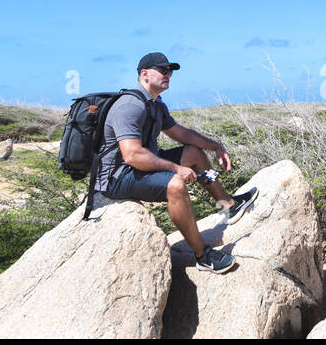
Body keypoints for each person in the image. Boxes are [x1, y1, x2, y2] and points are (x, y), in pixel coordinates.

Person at [96, 52, 257, 274]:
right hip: (117, 177)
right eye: (163, 70)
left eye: (170, 71)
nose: (168, 75)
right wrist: (176, 169)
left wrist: (216, 146)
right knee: (176, 185)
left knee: (193, 153)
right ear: (144, 74)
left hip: (138, 166)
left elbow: (181, 134)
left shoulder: (155, 104)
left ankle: (228, 206)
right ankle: (203, 255)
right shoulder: (130, 105)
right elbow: (132, 155)